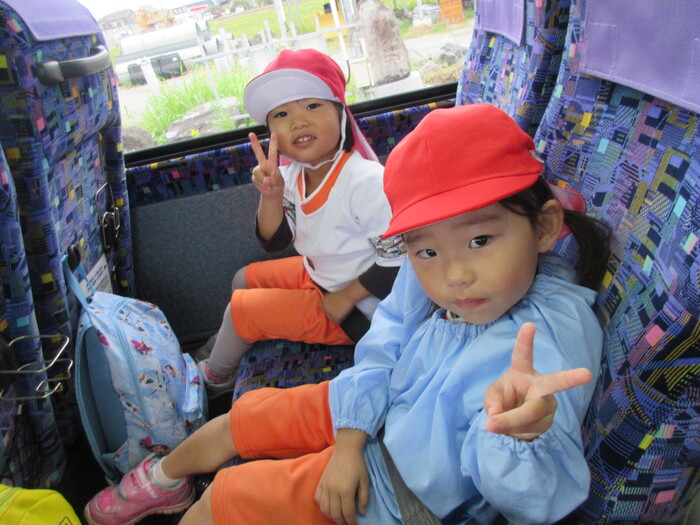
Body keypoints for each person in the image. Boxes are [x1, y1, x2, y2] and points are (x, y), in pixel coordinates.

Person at [83, 103, 612, 525]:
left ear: (544, 227)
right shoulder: (431, 271)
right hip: (384, 404)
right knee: (246, 417)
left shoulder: (546, 342)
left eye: (480, 240)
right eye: (427, 250)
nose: (454, 275)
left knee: (226, 497)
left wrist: (517, 438)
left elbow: (530, 502)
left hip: (404, 489)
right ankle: (165, 482)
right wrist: (351, 438)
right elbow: (387, 340)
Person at [195, 48, 403, 397]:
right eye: (281, 114)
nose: (298, 121)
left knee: (240, 310)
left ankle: (216, 379)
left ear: (341, 114)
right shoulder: (294, 175)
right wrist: (271, 194)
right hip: (322, 276)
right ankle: (226, 341)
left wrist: (346, 297)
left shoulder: (365, 182)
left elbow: (399, 262)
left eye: (312, 106)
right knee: (243, 278)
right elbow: (274, 242)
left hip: (361, 306)